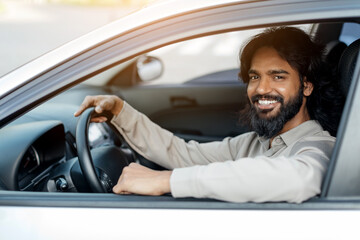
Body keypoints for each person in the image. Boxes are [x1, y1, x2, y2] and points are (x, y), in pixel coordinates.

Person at [74, 27, 343, 203]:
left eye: (278, 76)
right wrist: (121, 113)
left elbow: (295, 178)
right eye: (254, 77)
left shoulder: (323, 146)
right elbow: (183, 154)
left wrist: (164, 181)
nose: (261, 88)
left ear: (306, 85)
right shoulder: (254, 143)